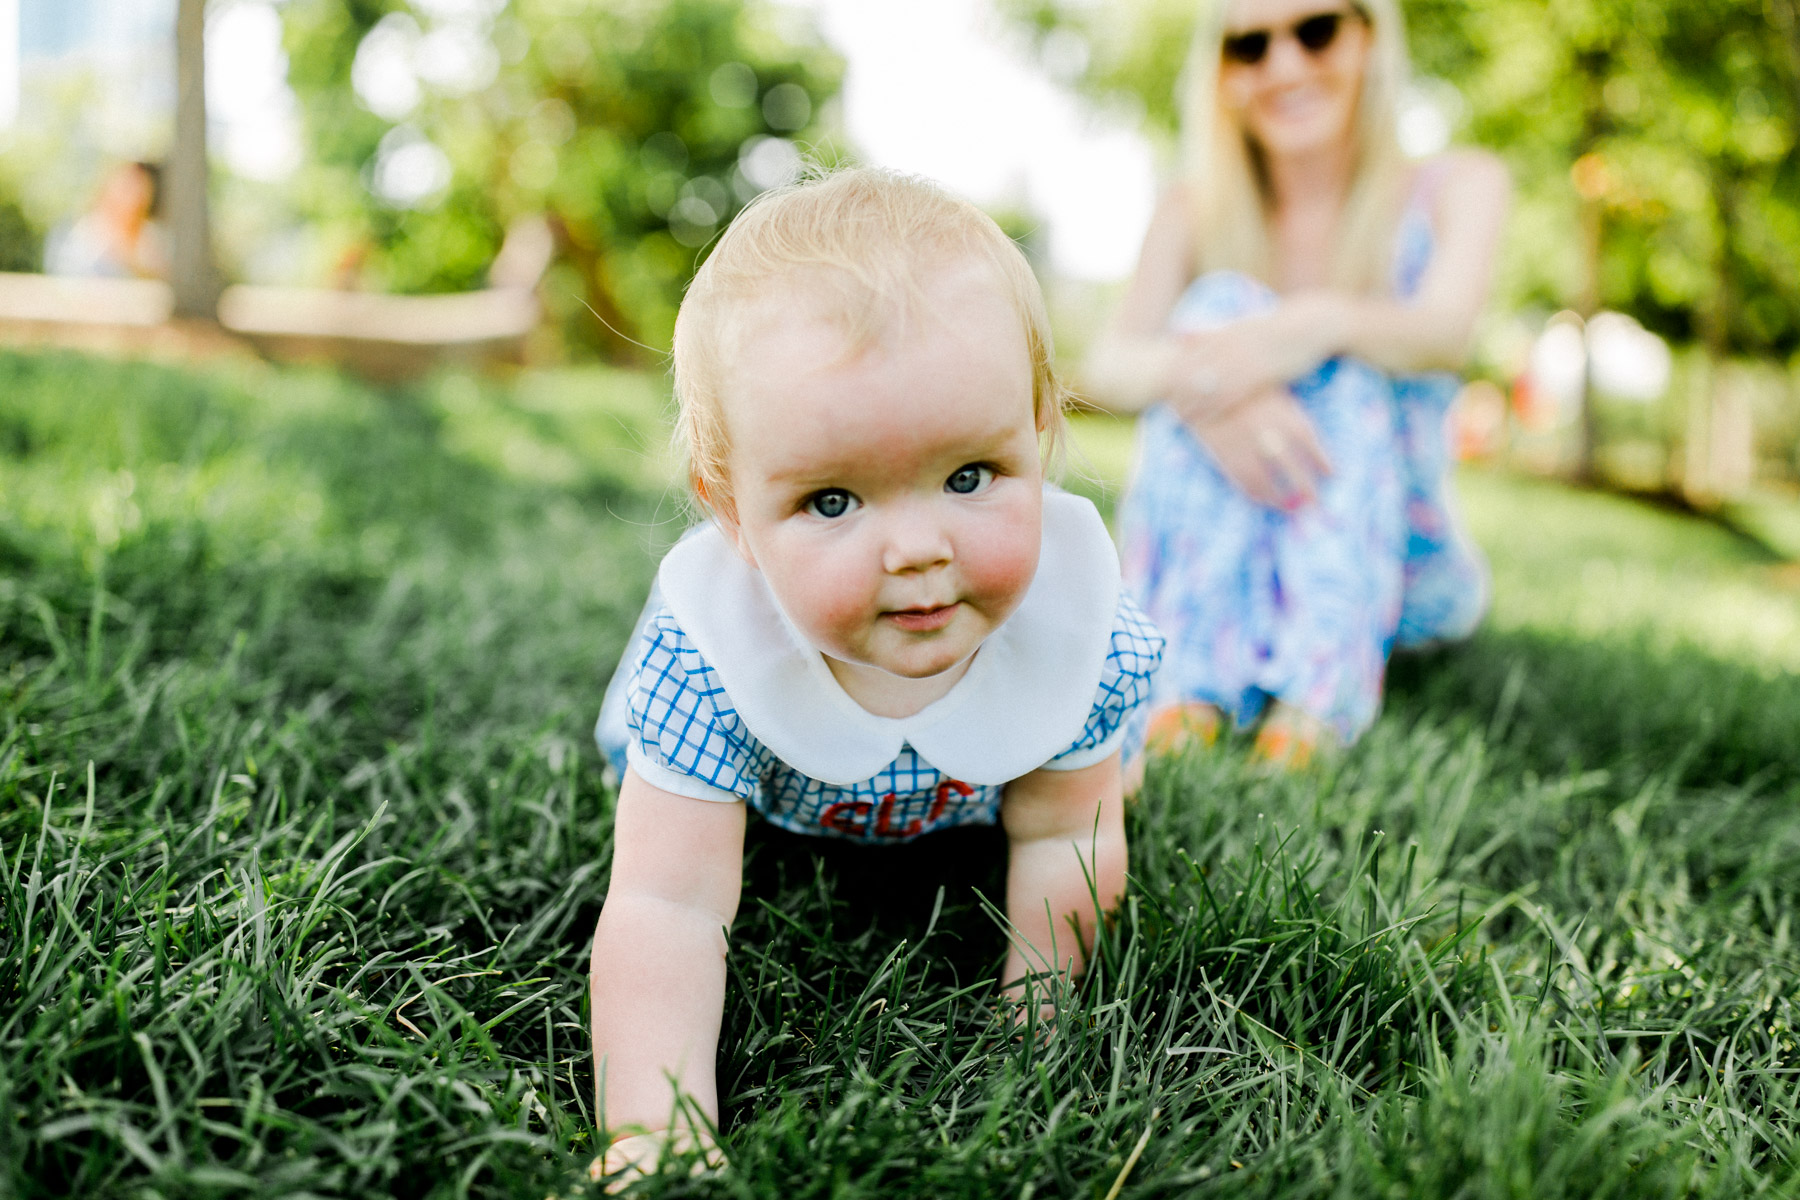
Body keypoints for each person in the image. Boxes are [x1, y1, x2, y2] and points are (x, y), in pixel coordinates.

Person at [587, 167, 1163, 1185]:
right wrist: (652, 1126)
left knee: (1096, 798)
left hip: (981, 792)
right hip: (782, 792)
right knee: (669, 836)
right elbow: (666, 905)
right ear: (731, 512)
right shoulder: (712, 663)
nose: (916, 551)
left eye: (970, 477)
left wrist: (1040, 1030)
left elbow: (1066, 839)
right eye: (834, 501)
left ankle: (1099, 764)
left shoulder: (1075, 634)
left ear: (1042, 432)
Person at [1082, 0, 1509, 764]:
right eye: (1249, 45)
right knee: (1213, 314)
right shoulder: (1196, 205)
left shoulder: (1455, 185)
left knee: (1342, 355)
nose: (1283, 66)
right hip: (1236, 548)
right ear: (1221, 70)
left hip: (1399, 567)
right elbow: (1109, 365)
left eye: (1316, 31)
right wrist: (1209, 382)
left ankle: (1317, 700)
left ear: (1369, 37)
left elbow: (1445, 333)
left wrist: (1313, 327)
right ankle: (1187, 687)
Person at [44, 161, 169, 280]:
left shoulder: (151, 238)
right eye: (126, 188)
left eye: (139, 191)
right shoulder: (77, 233)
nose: (131, 200)